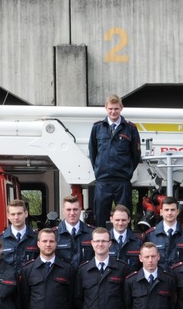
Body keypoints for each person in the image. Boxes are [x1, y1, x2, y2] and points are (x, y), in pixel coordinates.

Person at [89, 94, 142, 229]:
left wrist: (127, 170)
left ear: (121, 108)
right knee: (100, 218)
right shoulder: (97, 128)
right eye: (111, 109)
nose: (113, 112)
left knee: (123, 218)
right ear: (106, 108)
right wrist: (99, 170)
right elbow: (93, 152)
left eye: (116, 109)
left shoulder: (130, 128)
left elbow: (135, 155)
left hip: (122, 181)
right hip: (103, 181)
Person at [143, 196, 183, 268]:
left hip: (181, 277)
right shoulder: (150, 235)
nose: (169, 213)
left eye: (172, 210)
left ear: (177, 212)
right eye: (166, 210)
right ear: (161, 212)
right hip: (160, 277)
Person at [55, 194, 94, 269]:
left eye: (75, 209)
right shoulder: (54, 234)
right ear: (63, 211)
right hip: (63, 277)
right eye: (68, 210)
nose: (72, 213)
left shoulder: (92, 233)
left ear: (80, 210)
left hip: (85, 277)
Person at [0, 199, 38, 267]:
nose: (16, 217)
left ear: (26, 214)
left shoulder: (36, 238)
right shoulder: (0, 239)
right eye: (13, 214)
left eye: (19, 214)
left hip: (30, 277)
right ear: (8, 216)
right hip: (9, 277)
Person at [109, 204, 143, 270]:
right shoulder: (103, 241)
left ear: (129, 220)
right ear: (111, 219)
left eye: (123, 220)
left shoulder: (138, 242)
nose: (120, 223)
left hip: (132, 279)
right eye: (117, 220)